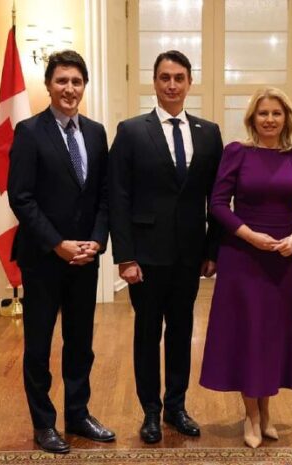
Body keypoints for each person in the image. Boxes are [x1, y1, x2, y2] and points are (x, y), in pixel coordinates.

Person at [108, 50, 223, 444]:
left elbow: (217, 198)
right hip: (145, 256)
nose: (171, 85)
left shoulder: (209, 133)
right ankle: (150, 413)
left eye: (178, 78)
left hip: (189, 256)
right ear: (154, 82)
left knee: (181, 331)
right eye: (164, 78)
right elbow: (118, 196)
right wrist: (124, 257)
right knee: (147, 335)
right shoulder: (131, 131)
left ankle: (176, 406)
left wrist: (212, 250)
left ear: (190, 82)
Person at [7, 50, 115, 454]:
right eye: (62, 81)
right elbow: (21, 197)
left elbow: (104, 196)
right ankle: (44, 424)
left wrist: (97, 241)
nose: (69, 89)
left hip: (85, 258)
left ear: (84, 86)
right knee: (38, 345)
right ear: (49, 85)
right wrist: (57, 243)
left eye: (76, 81)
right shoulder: (29, 131)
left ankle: (78, 414)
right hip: (43, 258)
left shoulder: (96, 133)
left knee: (80, 343)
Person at [199, 87, 292, 448]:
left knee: (271, 334)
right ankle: (251, 415)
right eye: (263, 113)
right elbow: (218, 204)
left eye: (276, 113)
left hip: (281, 258)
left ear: (286, 118)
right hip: (242, 255)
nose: (269, 119)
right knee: (247, 332)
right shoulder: (237, 152)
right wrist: (249, 236)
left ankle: (266, 411)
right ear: (252, 117)